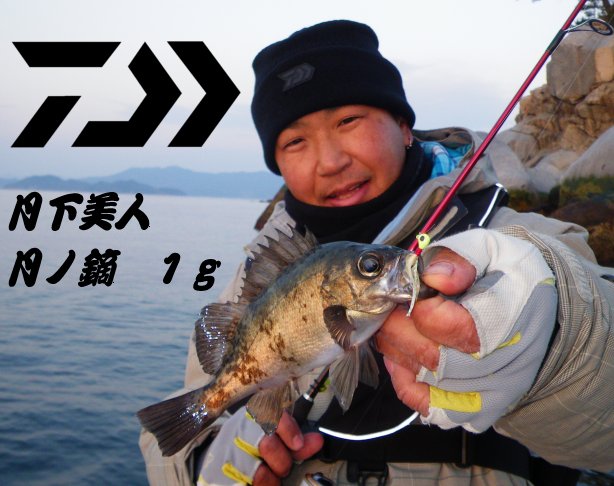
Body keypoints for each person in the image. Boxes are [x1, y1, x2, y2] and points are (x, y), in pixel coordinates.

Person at [139, 20, 614, 486]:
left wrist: (559, 342)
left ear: (404, 126)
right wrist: (207, 464)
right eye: (295, 141)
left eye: (348, 121)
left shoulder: (515, 241)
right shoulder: (253, 281)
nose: (330, 161)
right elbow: (171, 439)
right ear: (278, 164)